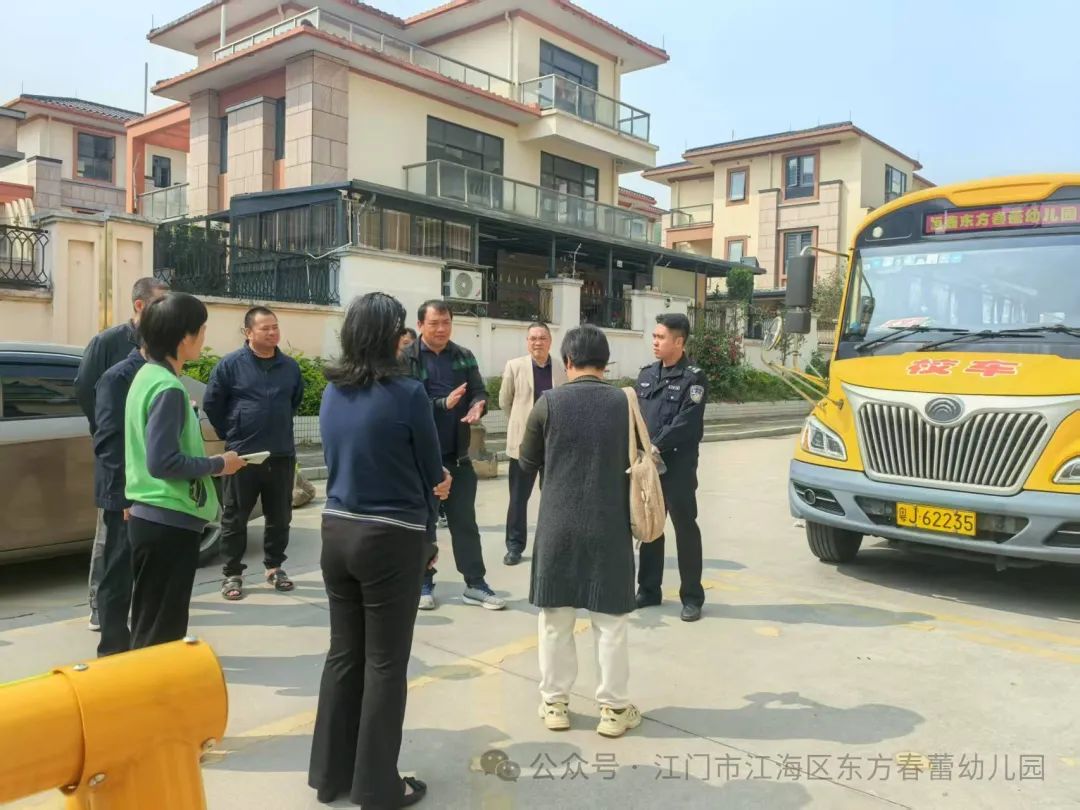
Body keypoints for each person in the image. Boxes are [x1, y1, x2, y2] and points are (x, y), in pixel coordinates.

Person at [309, 292, 449, 808]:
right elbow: (431, 470)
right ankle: (377, 787)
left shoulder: (331, 392)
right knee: (386, 664)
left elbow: (338, 456)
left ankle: (330, 776)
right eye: (401, 330)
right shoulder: (408, 393)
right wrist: (440, 483)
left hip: (336, 531)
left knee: (344, 655)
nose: (405, 337)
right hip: (389, 537)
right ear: (390, 337)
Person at [518, 325, 641, 738]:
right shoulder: (624, 403)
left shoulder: (547, 403)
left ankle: (555, 705)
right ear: (605, 363)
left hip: (558, 526)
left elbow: (526, 462)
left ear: (566, 361)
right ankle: (613, 710)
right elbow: (643, 456)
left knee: (556, 621)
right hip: (610, 526)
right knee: (611, 625)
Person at [124, 292, 246, 649]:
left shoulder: (146, 376)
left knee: (149, 623)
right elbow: (163, 462)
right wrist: (219, 464)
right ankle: (151, 701)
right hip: (168, 521)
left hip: (152, 518)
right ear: (185, 337)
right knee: (162, 631)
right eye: (202, 329)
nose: (204, 336)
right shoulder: (168, 388)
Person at [75, 276, 169, 631]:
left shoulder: (162, 347)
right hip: (117, 453)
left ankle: (133, 610)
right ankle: (102, 608)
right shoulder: (108, 343)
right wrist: (107, 429)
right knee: (110, 539)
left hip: (153, 456)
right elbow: (86, 389)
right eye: (160, 304)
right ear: (140, 306)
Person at [402, 300, 505, 611]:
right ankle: (423, 582)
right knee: (423, 524)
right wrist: (442, 404)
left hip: (457, 457)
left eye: (446, 322)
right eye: (434, 323)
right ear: (420, 325)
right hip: (419, 461)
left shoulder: (463, 356)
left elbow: (479, 391)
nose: (441, 329)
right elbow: (405, 404)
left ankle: (475, 584)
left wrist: (478, 405)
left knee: (465, 524)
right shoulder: (405, 359)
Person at [204, 306, 304, 600]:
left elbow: (293, 401)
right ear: (248, 333)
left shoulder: (289, 367)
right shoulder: (230, 365)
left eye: (275, 327)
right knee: (235, 517)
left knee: (280, 516)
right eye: (265, 328)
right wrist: (231, 434)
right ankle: (232, 573)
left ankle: (275, 567)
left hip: (281, 454)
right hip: (242, 457)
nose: (273, 333)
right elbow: (213, 404)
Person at [634, 313, 708, 622]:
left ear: (679, 342)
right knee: (650, 527)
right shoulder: (646, 375)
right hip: (648, 466)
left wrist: (657, 444)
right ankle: (649, 589)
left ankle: (692, 596)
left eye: (660, 337)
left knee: (685, 528)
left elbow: (687, 421)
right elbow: (636, 415)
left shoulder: (694, 377)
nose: (654, 341)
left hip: (676, 466)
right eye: (654, 336)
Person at [91, 345, 147, 657]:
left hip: (147, 489)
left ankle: (139, 643)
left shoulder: (158, 372)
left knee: (142, 571)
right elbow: (108, 440)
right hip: (122, 492)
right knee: (117, 570)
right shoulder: (118, 377)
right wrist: (125, 495)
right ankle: (112, 648)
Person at [499, 322, 566, 565]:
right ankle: (514, 546)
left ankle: (550, 545)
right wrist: (521, 426)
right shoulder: (514, 366)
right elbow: (505, 401)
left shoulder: (560, 367)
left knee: (553, 497)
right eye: (532, 338)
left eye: (542, 338)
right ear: (527, 342)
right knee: (518, 497)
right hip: (523, 444)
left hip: (553, 444)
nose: (537, 342)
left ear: (550, 341)